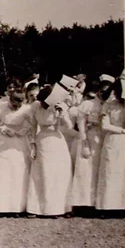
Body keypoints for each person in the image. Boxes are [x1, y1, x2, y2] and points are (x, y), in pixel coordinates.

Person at [27, 83, 73, 217]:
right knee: (42, 174)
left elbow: (69, 126)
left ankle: (57, 208)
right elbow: (33, 127)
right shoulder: (35, 106)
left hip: (56, 141)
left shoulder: (60, 106)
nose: (44, 104)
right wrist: (33, 144)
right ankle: (38, 208)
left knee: (56, 174)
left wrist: (63, 114)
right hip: (42, 141)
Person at [0, 86, 33, 214]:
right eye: (15, 100)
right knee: (3, 172)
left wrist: (24, 130)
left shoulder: (27, 110)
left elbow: (32, 125)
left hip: (19, 142)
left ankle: (18, 206)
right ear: (10, 98)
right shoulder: (1, 109)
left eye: (21, 101)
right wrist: (2, 129)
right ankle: (3, 206)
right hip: (4, 143)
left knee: (19, 172)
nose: (17, 104)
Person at [70, 80, 105, 211]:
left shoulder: (107, 104)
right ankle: (82, 203)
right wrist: (84, 141)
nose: (103, 94)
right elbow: (81, 123)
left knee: (98, 170)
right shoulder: (87, 104)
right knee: (85, 169)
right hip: (88, 139)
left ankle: (97, 202)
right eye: (101, 91)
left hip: (102, 139)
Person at [96, 78, 125, 212]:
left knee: (124, 172)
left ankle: (123, 205)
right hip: (114, 140)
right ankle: (107, 206)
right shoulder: (108, 105)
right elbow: (104, 125)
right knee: (110, 171)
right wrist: (122, 130)